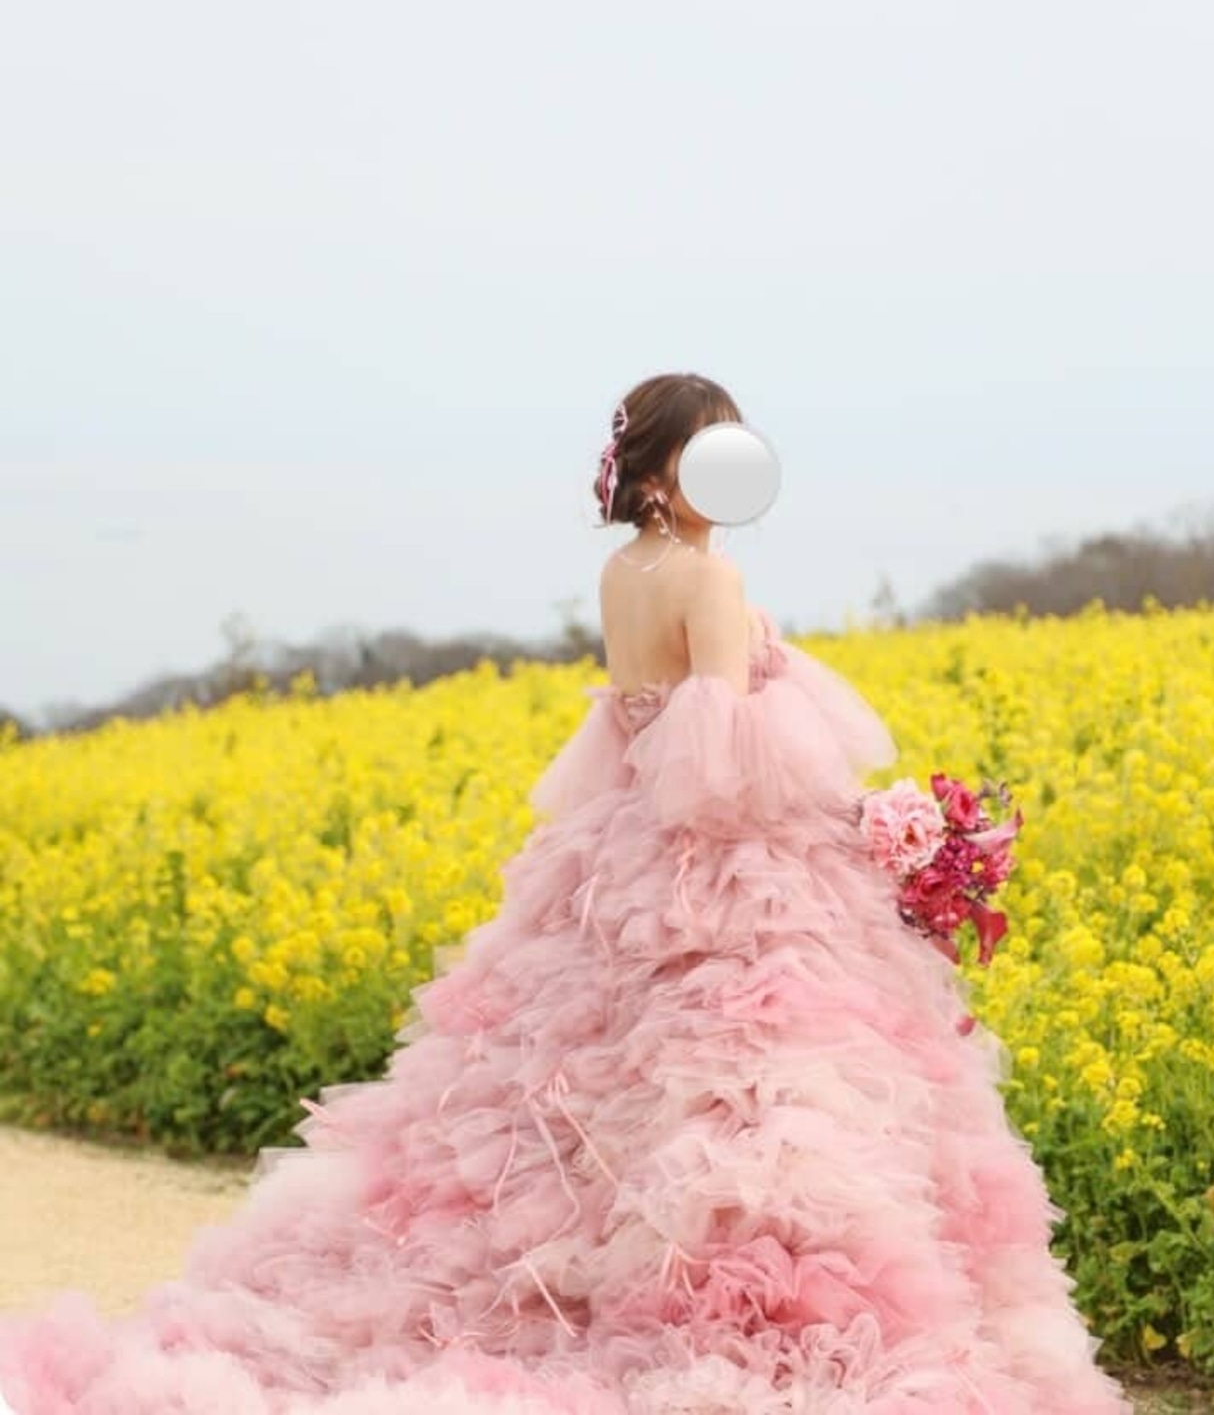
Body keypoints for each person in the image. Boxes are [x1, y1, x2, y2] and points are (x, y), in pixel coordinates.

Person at [0, 372, 1135, 1413]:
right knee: (751, 1088)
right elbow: (727, 759)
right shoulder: (710, 576)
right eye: (706, 452)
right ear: (659, 473)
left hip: (616, 857)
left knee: (571, 1095)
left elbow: (644, 728)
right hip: (717, 870)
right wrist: (868, 825)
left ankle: (571, 1292)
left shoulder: (622, 572)